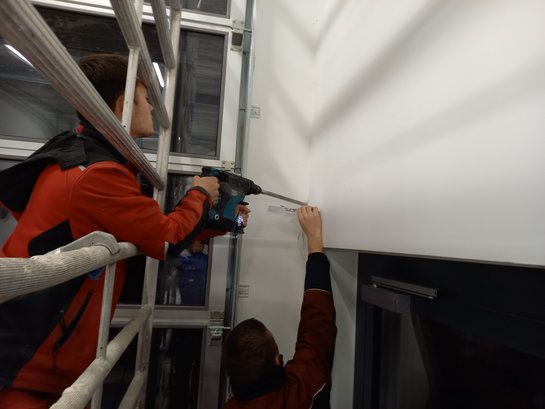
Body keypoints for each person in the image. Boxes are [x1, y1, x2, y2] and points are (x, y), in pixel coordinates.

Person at [0, 53, 247, 408]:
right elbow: (165, 240)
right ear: (123, 106)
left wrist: (216, 222)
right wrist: (199, 193)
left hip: (36, 353)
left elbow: (143, 231)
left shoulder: (81, 156)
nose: (153, 107)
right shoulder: (99, 174)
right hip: (27, 364)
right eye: (147, 98)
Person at [222, 205, 336, 409]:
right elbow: (316, 329)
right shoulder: (300, 395)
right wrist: (315, 241)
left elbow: (315, 335)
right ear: (277, 360)